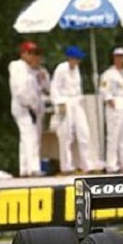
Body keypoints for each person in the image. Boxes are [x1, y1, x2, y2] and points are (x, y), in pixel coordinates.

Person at [50, 45, 95, 174]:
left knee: (84, 132)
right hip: (65, 102)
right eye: (76, 59)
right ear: (70, 58)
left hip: (76, 102)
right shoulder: (61, 69)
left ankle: (86, 164)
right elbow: (54, 87)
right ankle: (66, 166)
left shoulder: (77, 69)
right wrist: (59, 103)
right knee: (65, 136)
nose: (78, 62)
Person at [9, 41, 45, 177]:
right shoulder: (18, 67)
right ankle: (33, 167)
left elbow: (43, 87)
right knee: (30, 137)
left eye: (35, 54)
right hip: (24, 107)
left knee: (27, 138)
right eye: (30, 53)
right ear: (23, 53)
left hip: (33, 108)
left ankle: (24, 168)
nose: (33, 57)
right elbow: (21, 91)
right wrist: (31, 105)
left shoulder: (33, 70)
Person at [100, 47, 123, 173]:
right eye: (118, 57)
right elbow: (103, 89)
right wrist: (109, 99)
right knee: (113, 135)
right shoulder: (109, 74)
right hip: (115, 105)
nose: (120, 59)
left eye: (122, 57)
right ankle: (111, 164)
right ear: (114, 58)